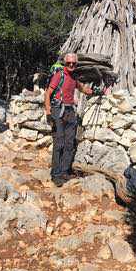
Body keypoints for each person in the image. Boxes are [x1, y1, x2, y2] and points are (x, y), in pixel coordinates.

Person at [44, 53, 93, 186]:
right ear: (65, 63)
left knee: (69, 143)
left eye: (74, 63)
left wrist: (95, 92)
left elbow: (83, 88)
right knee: (59, 142)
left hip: (70, 111)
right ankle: (56, 174)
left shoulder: (74, 77)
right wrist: (48, 112)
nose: (71, 65)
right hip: (58, 110)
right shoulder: (59, 75)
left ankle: (65, 171)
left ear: (76, 64)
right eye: (69, 63)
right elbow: (48, 93)